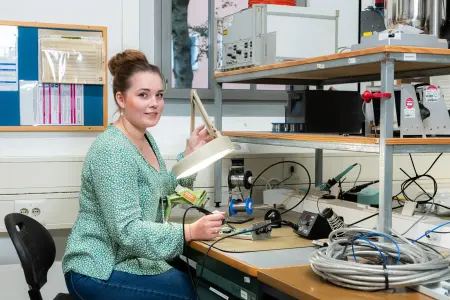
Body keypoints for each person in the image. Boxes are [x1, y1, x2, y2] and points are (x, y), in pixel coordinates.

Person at [62, 49, 225, 300]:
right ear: (121, 98)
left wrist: (190, 154)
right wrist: (189, 232)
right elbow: (127, 231)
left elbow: (164, 188)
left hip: (128, 260)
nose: (154, 104)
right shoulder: (113, 150)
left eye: (159, 95)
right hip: (97, 270)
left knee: (197, 281)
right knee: (194, 292)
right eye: (143, 95)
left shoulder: (144, 138)